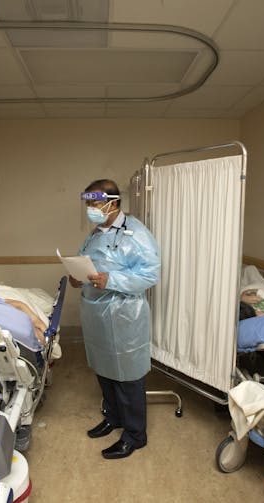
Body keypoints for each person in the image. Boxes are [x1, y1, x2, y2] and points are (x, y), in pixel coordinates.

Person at [69, 179, 160, 460]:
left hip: (124, 315)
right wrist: (77, 277)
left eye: (95, 204)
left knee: (127, 376)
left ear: (113, 202)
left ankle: (135, 434)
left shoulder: (137, 234)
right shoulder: (95, 234)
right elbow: (88, 264)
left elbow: (150, 274)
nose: (91, 210)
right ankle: (114, 417)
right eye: (89, 205)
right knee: (104, 368)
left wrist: (113, 279)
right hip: (96, 312)